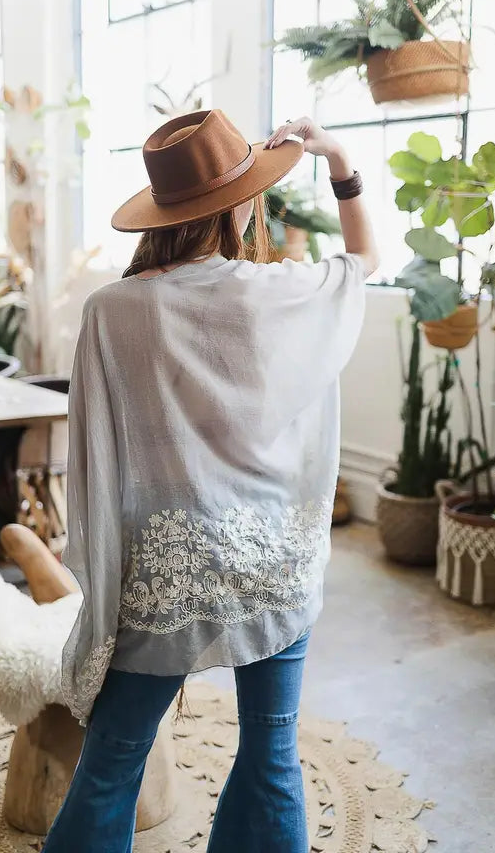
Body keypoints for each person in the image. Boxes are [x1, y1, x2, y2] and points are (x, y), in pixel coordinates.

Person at [44, 111, 378, 853]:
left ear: (161, 213)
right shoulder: (281, 294)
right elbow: (364, 259)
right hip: (276, 560)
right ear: (241, 206)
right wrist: (338, 159)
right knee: (272, 751)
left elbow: (106, 455)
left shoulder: (113, 311)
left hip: (173, 572)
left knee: (114, 761)